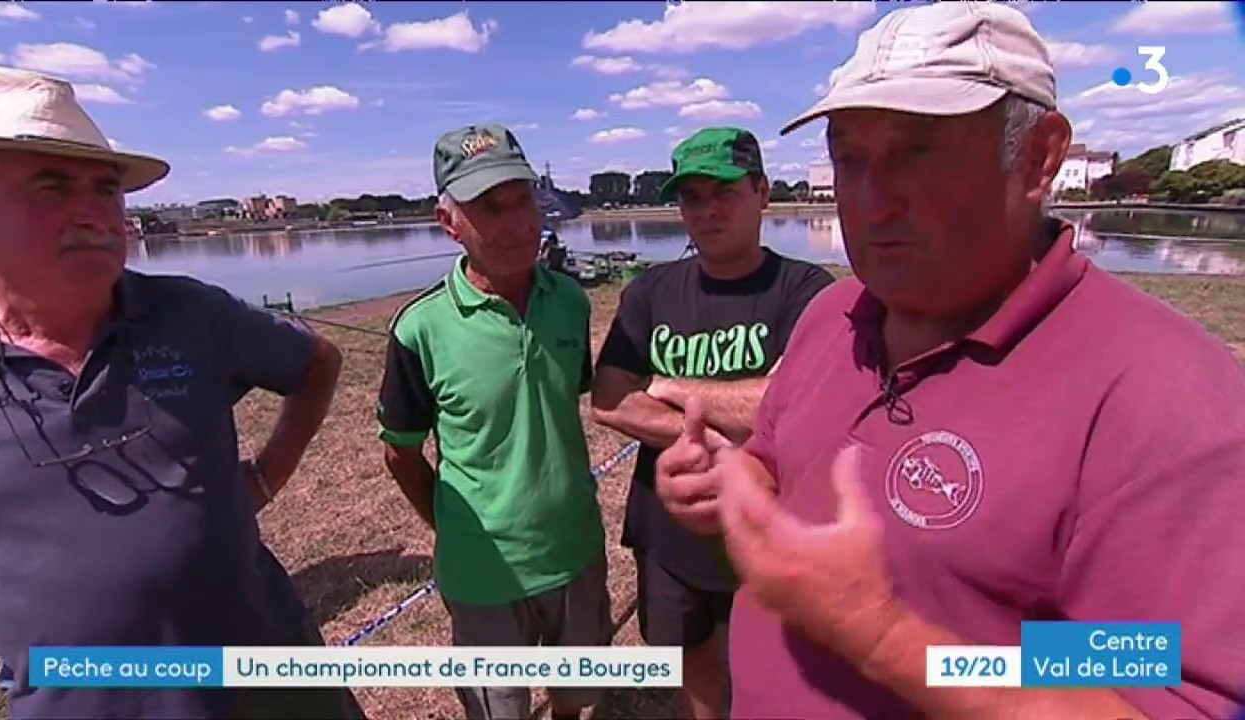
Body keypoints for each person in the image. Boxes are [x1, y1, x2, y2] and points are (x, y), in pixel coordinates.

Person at [655, 4, 1245, 719]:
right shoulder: (832, 314)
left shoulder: (1164, 393)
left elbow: (1159, 677)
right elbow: (774, 457)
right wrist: (732, 483)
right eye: (849, 157)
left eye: (919, 152)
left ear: (1039, 157)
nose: (870, 202)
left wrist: (886, 637)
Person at [0, 66, 359, 720]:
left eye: (106, 188)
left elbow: (316, 362)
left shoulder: (192, 314)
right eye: (51, 185)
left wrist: (264, 476)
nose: (94, 212)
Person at [591, 126, 835, 720]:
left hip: (770, 521)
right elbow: (610, 400)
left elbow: (790, 403)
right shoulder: (651, 291)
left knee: (773, 662)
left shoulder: (806, 289)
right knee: (691, 656)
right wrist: (736, 427)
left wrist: (667, 386)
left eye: (725, 192)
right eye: (692, 197)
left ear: (762, 193)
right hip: (669, 530)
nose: (708, 210)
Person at [376, 123, 609, 720]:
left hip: (577, 550)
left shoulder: (571, 302)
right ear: (448, 222)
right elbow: (401, 452)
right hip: (481, 574)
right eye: (489, 208)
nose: (516, 223)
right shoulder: (419, 329)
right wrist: (458, 531)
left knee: (577, 697)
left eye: (522, 199)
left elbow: (565, 400)